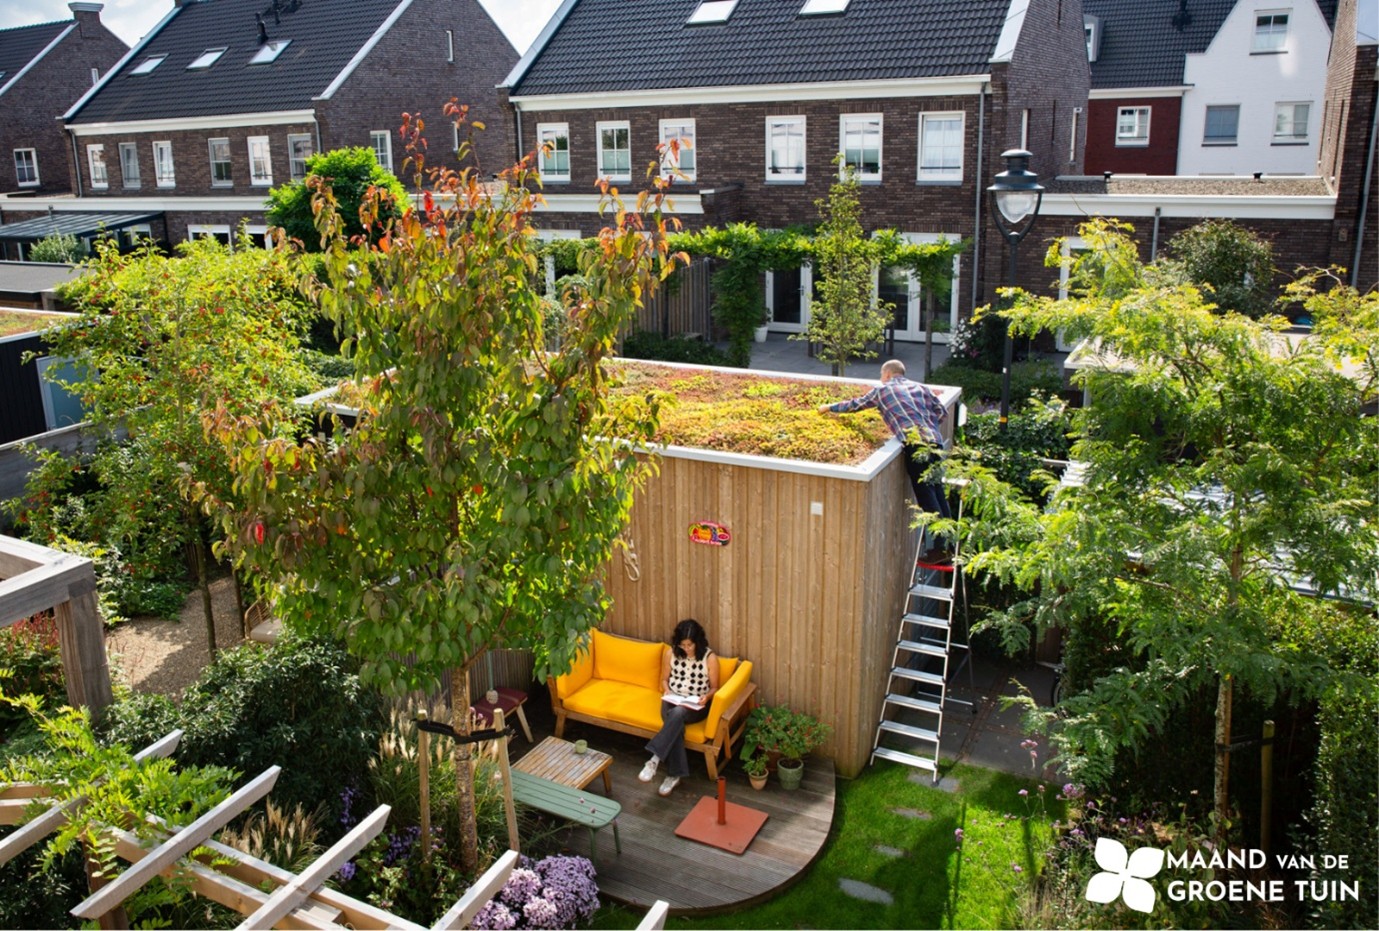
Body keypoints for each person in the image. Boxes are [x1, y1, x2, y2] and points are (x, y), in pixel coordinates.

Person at [818, 359, 952, 562]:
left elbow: (856, 405)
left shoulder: (882, 390)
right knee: (938, 492)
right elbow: (942, 413)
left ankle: (940, 550)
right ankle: (949, 543)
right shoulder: (921, 387)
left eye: (881, 375)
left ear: (887, 374)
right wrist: (927, 426)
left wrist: (829, 407)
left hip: (915, 445)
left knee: (926, 495)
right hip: (935, 443)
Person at [639, 618, 720, 796]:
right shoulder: (671, 653)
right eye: (683, 645)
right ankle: (673, 776)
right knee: (675, 718)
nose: (687, 649)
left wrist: (706, 697)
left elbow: (715, 687)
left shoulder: (709, 658)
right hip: (672, 698)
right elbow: (663, 680)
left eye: (690, 645)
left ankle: (654, 759)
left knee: (676, 714)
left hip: (696, 704)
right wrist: (667, 690)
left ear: (697, 642)